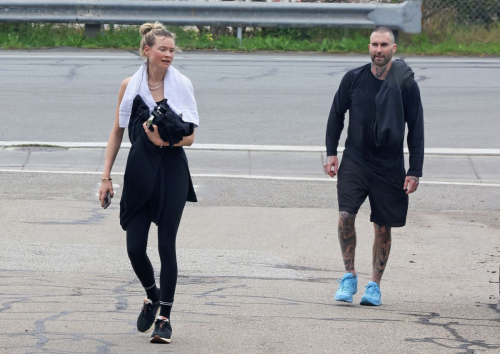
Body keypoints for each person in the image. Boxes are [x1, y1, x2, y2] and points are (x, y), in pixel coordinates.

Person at [99, 22, 199, 343]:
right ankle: (151, 295)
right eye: (163, 49)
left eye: (172, 50)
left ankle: (165, 319)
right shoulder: (130, 85)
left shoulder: (181, 85)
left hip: (172, 170)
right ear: (147, 51)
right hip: (140, 169)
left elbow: (192, 138)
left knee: (166, 245)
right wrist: (105, 177)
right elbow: (116, 132)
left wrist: (163, 143)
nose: (169, 54)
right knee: (134, 247)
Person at [324, 27, 424, 306]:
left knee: (383, 227)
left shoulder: (406, 85)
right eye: (374, 44)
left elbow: (416, 128)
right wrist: (332, 153)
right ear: (368, 48)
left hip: (389, 166)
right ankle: (349, 276)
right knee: (345, 216)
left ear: (394, 49)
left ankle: (374, 285)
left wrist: (414, 170)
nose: (378, 49)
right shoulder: (353, 78)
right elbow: (336, 115)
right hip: (355, 159)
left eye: (384, 45)